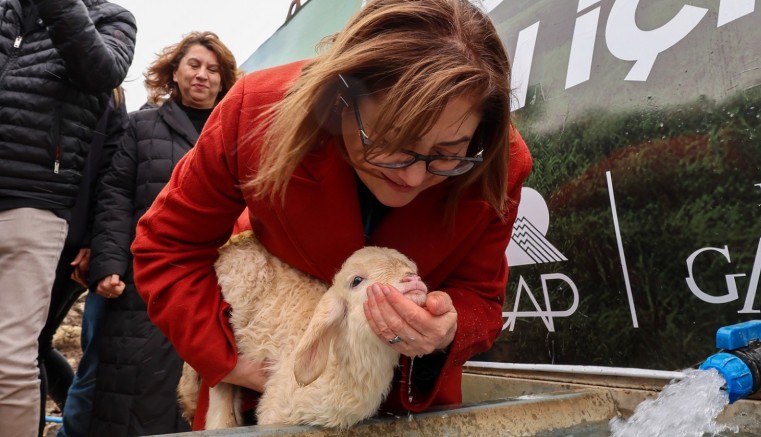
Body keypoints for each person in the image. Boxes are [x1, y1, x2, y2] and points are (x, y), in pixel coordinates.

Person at [130, 0, 533, 430]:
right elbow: (167, 246)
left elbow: (481, 297)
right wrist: (232, 361)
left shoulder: (499, 163)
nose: (413, 176)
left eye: (447, 154)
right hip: (261, 396)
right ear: (341, 99)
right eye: (389, 141)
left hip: (402, 409)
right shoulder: (255, 113)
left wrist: (447, 330)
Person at [85, 31, 241, 436]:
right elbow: (116, 194)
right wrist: (108, 263)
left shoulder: (235, 133)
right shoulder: (141, 126)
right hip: (144, 276)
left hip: (218, 280)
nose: (202, 75)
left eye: (213, 69)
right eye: (194, 65)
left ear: (224, 81)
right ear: (174, 72)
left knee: (205, 388)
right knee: (132, 386)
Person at [0, 1, 135, 436]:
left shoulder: (107, 33)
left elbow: (113, 174)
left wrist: (97, 242)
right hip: (46, 216)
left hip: (53, 222)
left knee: (23, 350)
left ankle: (65, 424)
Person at [35, 86, 128, 437]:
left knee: (31, 346)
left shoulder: (110, 96)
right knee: (33, 345)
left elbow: (110, 176)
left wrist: (91, 240)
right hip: (34, 226)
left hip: (70, 244)